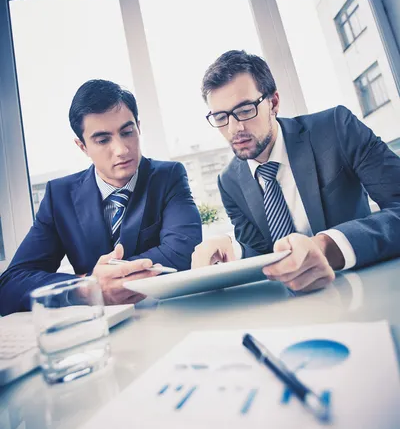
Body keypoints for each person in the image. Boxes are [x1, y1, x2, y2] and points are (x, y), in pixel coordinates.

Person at [192, 50, 400, 292]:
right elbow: (262, 251)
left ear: (274, 103)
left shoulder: (336, 127)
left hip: (367, 288)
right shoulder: (228, 181)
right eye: (220, 117)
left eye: (246, 110)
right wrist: (231, 248)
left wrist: (327, 246)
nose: (234, 128)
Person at [0, 80, 202, 315]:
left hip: (169, 315)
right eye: (103, 140)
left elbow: (183, 252)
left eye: (127, 133)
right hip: (98, 329)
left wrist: (107, 278)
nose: (121, 149)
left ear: (138, 127)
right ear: (83, 146)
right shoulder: (59, 196)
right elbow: (10, 285)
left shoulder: (169, 176)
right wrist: (86, 287)